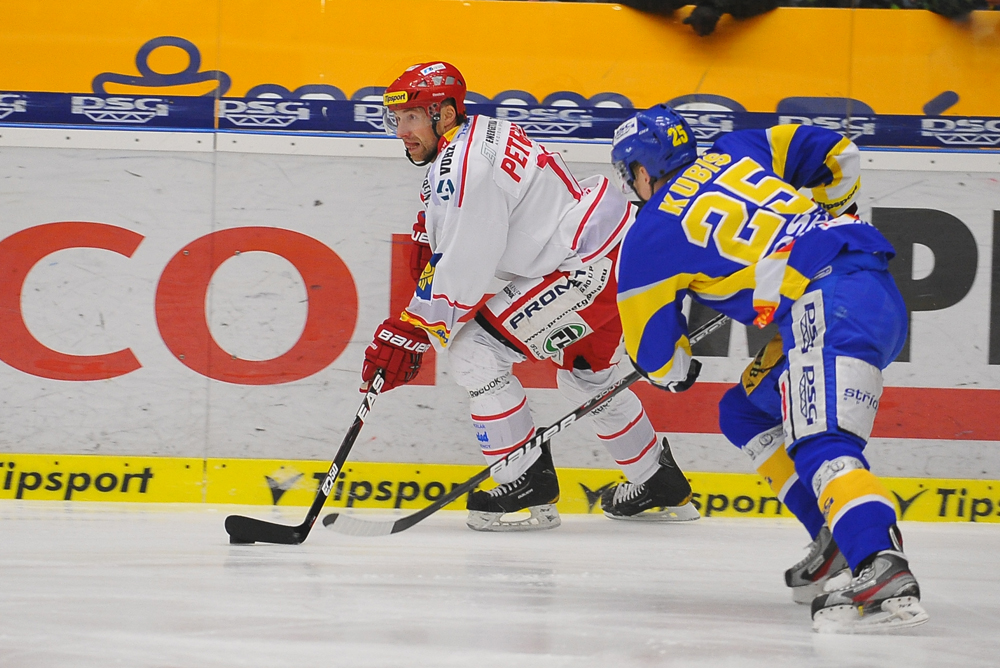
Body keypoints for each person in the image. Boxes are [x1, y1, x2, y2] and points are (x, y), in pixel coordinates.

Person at [609, 104, 929, 633]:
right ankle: (836, 535)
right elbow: (838, 154)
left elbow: (656, 357)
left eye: (630, 174)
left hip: (826, 302)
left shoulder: (648, 235)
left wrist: (678, 370)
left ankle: (879, 562)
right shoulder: (738, 148)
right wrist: (821, 219)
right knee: (744, 412)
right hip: (870, 284)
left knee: (822, 440)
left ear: (643, 171)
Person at [361, 62, 700, 531]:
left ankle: (525, 485)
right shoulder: (479, 133)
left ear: (445, 114)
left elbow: (465, 263)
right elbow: (453, 217)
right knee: (588, 376)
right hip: (614, 249)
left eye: (412, 118)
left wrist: (411, 331)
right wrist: (429, 240)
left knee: (475, 354)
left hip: (585, 266)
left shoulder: (466, 166)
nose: (402, 131)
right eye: (396, 119)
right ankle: (657, 482)